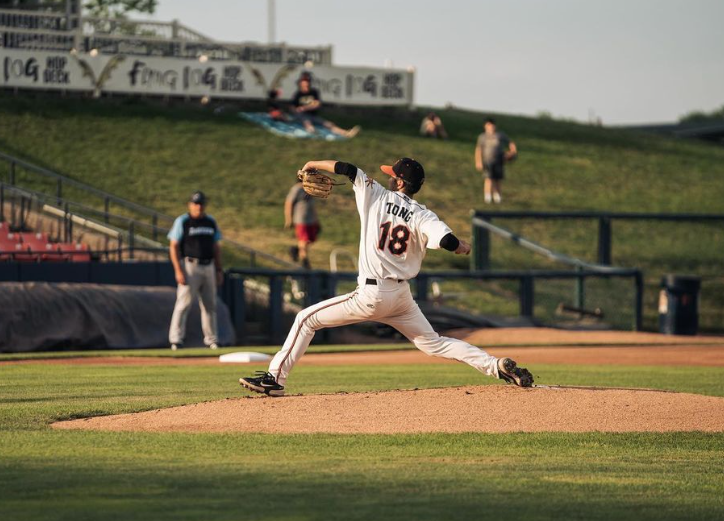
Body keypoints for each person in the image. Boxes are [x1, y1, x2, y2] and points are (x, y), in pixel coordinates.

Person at [239, 158, 534, 396]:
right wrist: (463, 247)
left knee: (305, 318)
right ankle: (496, 366)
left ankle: (274, 378)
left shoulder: (376, 194)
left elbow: (348, 169)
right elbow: (446, 241)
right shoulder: (423, 214)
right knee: (435, 343)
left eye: (393, 174)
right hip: (402, 298)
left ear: (400, 182)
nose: (390, 177)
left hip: (371, 294)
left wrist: (313, 162)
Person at [167, 191, 223, 350]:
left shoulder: (210, 221)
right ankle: (176, 339)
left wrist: (219, 269)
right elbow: (174, 246)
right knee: (183, 304)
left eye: (201, 204)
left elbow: (216, 247)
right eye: (196, 203)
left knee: (210, 305)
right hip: (190, 265)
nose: (199, 206)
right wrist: (178, 269)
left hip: (209, 265)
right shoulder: (183, 221)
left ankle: (212, 339)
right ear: (190, 205)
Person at [292, 77, 360, 138]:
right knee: (307, 122)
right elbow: (295, 109)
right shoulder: (297, 94)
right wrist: (307, 107)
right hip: (303, 116)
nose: (305, 86)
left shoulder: (314, 92)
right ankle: (313, 133)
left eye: (306, 84)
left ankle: (346, 133)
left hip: (313, 115)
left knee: (329, 124)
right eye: (303, 85)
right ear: (300, 85)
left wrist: (304, 108)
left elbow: (317, 105)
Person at [474, 117, 517, 204]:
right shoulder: (482, 137)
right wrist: (478, 161)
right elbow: (478, 149)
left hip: (499, 160)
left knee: (497, 179)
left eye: (492, 125)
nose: (491, 127)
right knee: (488, 178)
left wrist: (512, 152)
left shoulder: (500, 135)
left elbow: (510, 143)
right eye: (489, 125)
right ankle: (487, 197)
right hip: (487, 160)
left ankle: (497, 197)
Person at [285, 178, 320, 269]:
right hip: (301, 219)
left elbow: (312, 205)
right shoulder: (297, 188)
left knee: (310, 240)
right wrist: (289, 219)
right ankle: (305, 262)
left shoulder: (310, 188)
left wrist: (316, 220)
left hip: (311, 219)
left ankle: (295, 249)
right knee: (304, 240)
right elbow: (289, 203)